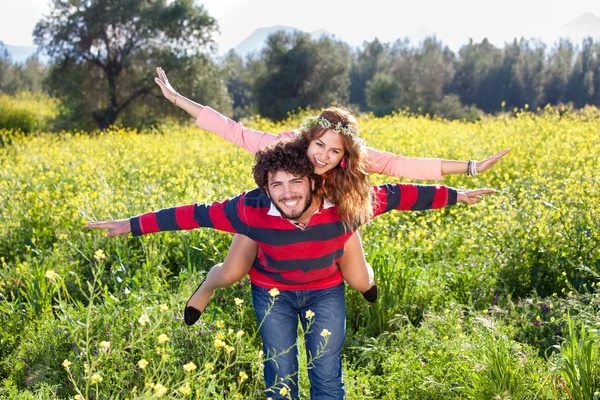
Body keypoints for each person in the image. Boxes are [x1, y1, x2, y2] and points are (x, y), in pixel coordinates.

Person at [85, 138, 494, 399]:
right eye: (276, 185)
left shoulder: (345, 202)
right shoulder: (249, 209)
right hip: (272, 292)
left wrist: (458, 194)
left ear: (314, 181)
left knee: (327, 376)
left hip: (325, 288)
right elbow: (191, 214)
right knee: (279, 376)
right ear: (266, 188)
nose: (287, 193)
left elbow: (404, 195)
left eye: (296, 181)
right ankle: (205, 288)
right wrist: (130, 225)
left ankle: (366, 281)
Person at [153, 67, 510, 324]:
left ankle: (367, 280)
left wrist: (471, 169)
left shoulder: (344, 181)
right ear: (308, 138)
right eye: (319, 145)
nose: (322, 156)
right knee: (231, 271)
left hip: (329, 226)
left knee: (359, 280)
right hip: (270, 217)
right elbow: (233, 131)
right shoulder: (286, 145)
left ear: (345, 156)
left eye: (334, 152)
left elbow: (405, 169)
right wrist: (176, 99)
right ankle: (206, 286)